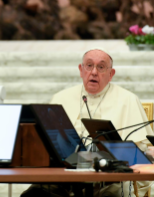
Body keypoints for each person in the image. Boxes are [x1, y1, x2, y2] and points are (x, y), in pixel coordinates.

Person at [21, 48, 154, 197]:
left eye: (101, 67)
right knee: (35, 194)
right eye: (89, 65)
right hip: (65, 175)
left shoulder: (128, 99)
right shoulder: (61, 97)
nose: (94, 72)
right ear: (81, 69)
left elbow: (141, 151)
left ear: (111, 74)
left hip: (109, 178)